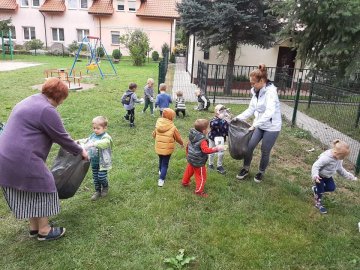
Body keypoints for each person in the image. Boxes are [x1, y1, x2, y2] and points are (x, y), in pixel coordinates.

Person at [0, 77, 88, 241]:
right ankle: (45, 230)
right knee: (44, 186)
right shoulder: (46, 110)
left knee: (29, 190)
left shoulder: (30, 100)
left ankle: (34, 228)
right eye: (62, 99)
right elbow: (61, 137)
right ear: (59, 96)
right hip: (22, 158)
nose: (61, 103)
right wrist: (80, 150)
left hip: (5, 157)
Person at [235, 64, 281, 183]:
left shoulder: (271, 92)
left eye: (253, 83)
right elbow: (251, 109)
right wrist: (237, 118)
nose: (252, 85)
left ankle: (261, 172)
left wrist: (255, 125)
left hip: (272, 127)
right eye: (251, 83)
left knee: (265, 150)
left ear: (262, 81)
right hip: (259, 125)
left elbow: (269, 112)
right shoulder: (256, 91)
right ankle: (245, 168)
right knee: (249, 147)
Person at [311, 140, 357, 214]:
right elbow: (316, 166)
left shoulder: (338, 159)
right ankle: (318, 203)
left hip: (328, 176)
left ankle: (315, 189)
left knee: (331, 188)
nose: (342, 159)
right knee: (321, 191)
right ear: (336, 153)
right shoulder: (326, 158)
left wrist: (350, 176)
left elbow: (340, 169)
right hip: (319, 176)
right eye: (342, 157)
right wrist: (315, 176)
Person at [182, 119, 224, 197]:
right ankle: (199, 191)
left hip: (191, 158)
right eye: (208, 128)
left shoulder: (192, 134)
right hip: (199, 162)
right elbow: (206, 150)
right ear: (204, 131)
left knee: (189, 171)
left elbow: (188, 145)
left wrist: (188, 154)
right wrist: (217, 148)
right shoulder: (202, 140)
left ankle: (185, 182)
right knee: (201, 176)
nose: (208, 129)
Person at [79, 116, 113, 200]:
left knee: (101, 176)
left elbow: (105, 143)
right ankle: (97, 191)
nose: (95, 130)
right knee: (95, 177)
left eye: (98, 128)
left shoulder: (106, 137)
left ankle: (105, 187)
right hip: (94, 161)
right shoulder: (93, 136)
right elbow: (87, 140)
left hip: (103, 162)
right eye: (94, 128)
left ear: (104, 128)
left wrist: (93, 144)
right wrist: (78, 141)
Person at [152, 108, 184, 187]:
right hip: (167, 149)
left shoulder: (158, 124)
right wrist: (181, 143)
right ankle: (161, 179)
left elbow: (153, 134)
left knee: (161, 159)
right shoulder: (173, 127)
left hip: (158, 147)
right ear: (171, 117)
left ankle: (160, 171)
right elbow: (178, 137)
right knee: (165, 164)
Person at [208, 104, 230, 175]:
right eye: (221, 111)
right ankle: (210, 164)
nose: (223, 113)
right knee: (211, 151)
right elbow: (213, 124)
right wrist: (220, 119)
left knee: (221, 152)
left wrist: (228, 120)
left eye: (224, 111)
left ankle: (219, 166)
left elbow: (227, 128)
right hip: (213, 138)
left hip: (221, 138)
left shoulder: (224, 120)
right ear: (216, 112)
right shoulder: (214, 120)